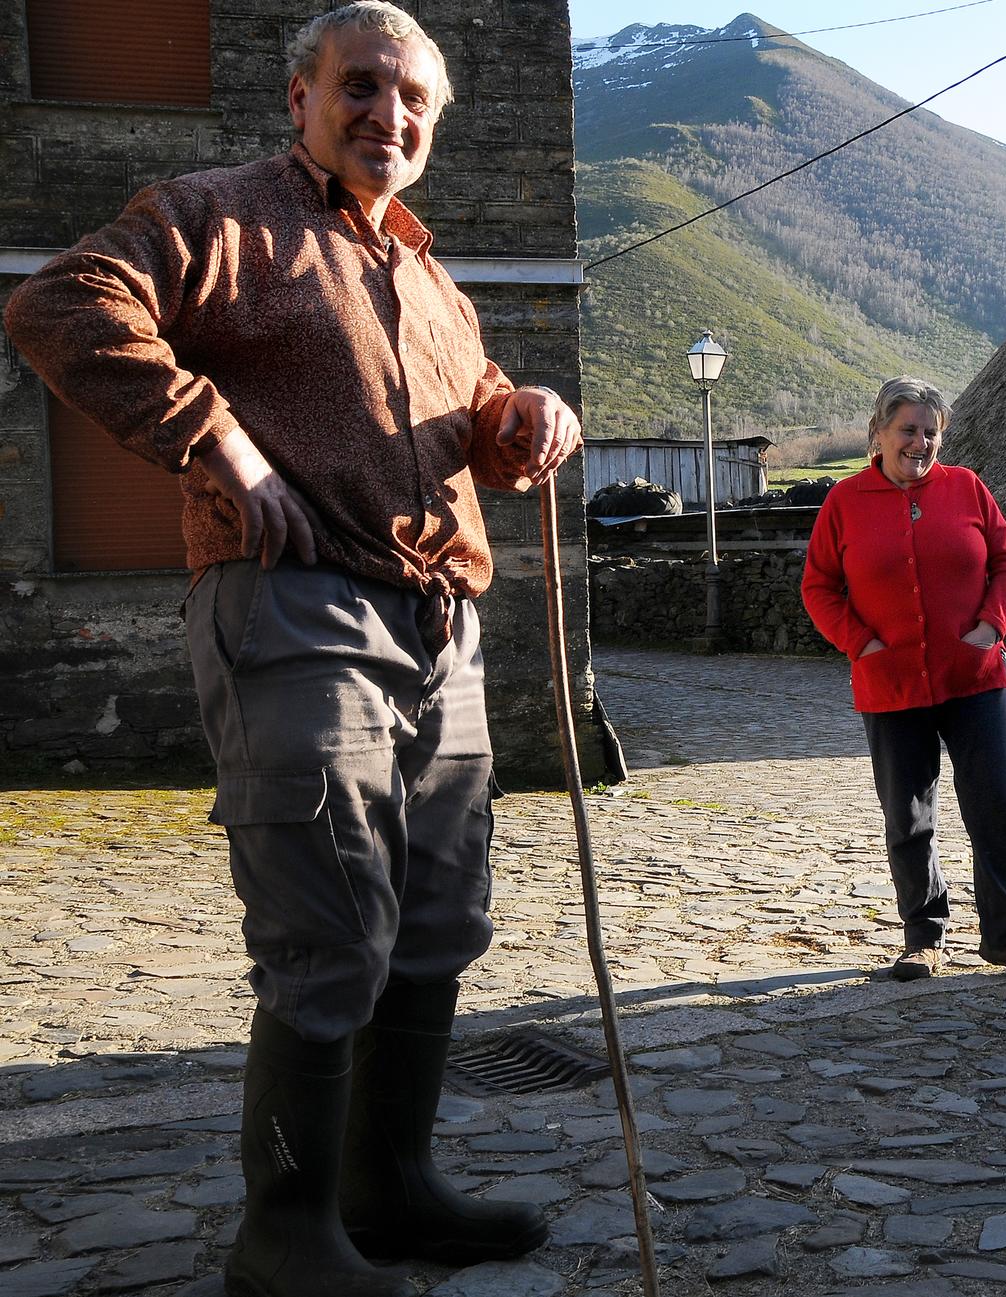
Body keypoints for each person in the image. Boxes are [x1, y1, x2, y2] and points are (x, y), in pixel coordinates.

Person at [3, 5, 578, 1292]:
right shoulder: (220, 215)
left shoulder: (430, 275)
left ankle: (391, 1186)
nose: (390, 115)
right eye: (361, 87)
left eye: (414, 98)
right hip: (295, 604)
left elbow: (463, 423)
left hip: (441, 624)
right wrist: (214, 434)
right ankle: (285, 1235)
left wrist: (523, 413)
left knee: (436, 922)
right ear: (299, 97)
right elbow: (61, 303)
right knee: (332, 926)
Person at [802, 377, 1006, 986]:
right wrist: (861, 643)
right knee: (908, 814)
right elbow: (818, 587)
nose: (919, 443)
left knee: (997, 804)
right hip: (890, 685)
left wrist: (992, 626)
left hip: (973, 677)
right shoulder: (845, 500)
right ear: (879, 433)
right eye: (908, 430)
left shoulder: (965, 488)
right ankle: (924, 937)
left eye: (929, 432)